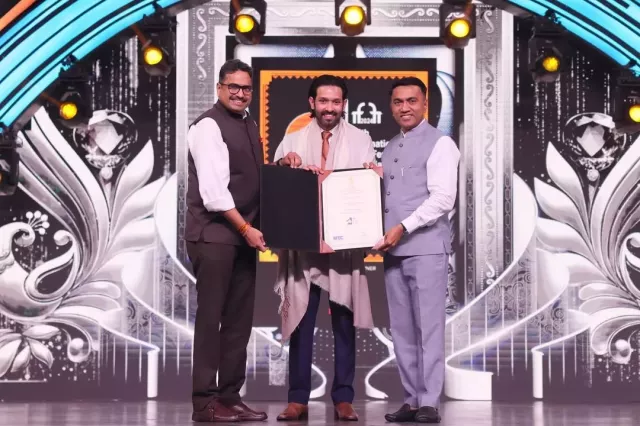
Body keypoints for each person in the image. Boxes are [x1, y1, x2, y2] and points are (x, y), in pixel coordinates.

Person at [272, 75, 375, 421]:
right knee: (301, 321)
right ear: (311, 103)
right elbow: (278, 186)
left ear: (343, 105)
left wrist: (370, 175)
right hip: (305, 246)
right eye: (323, 101)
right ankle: (297, 398)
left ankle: (343, 397)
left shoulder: (361, 139)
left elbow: (366, 185)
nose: (329, 108)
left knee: (344, 320)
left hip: (343, 247)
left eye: (335, 102)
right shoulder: (292, 140)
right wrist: (288, 166)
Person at [371, 77, 459, 423]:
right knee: (402, 330)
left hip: (426, 249)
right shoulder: (391, 146)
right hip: (394, 253)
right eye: (398, 102)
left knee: (429, 328)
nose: (404, 107)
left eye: (411, 100)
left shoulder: (441, 144)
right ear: (391, 107)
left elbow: (443, 198)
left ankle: (429, 401)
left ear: (424, 104)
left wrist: (403, 227)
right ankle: (410, 399)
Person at [185, 59, 268, 423]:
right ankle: (204, 403)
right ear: (219, 88)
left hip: (242, 237)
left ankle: (229, 397)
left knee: (238, 322)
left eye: (246, 88)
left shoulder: (248, 123)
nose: (239, 93)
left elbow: (253, 178)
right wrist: (246, 228)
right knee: (211, 320)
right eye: (232, 86)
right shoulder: (208, 126)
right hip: (214, 236)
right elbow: (214, 194)